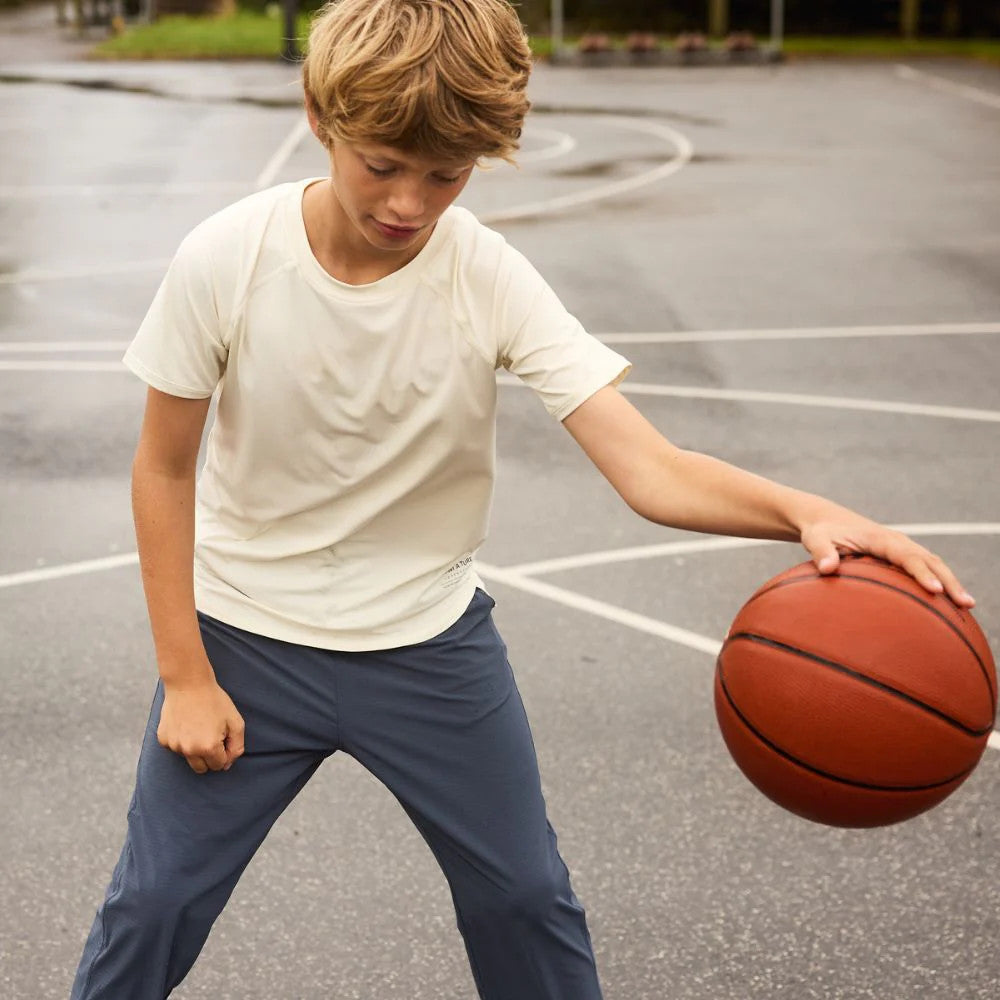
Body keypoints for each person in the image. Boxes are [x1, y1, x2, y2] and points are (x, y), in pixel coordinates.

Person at [69, 0, 975, 997]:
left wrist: (805, 510)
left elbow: (649, 468)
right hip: (242, 639)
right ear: (320, 117)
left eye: (446, 176)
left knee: (524, 899)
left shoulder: (487, 276)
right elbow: (162, 468)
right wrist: (186, 676)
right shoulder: (226, 259)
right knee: (151, 904)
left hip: (426, 645)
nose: (409, 203)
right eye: (382, 164)